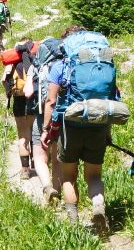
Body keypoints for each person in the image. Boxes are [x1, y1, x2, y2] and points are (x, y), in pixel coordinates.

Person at [43, 27, 118, 232]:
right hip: (99, 122)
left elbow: (50, 101)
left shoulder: (60, 66)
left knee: (69, 176)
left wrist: (46, 129)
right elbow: (111, 99)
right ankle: (98, 207)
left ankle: (74, 224)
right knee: (94, 175)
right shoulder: (105, 65)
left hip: (72, 124)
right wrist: (108, 132)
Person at [1, 38, 41, 180]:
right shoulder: (34, 59)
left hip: (18, 100)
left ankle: (24, 170)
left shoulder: (12, 62)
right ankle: (36, 164)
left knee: (22, 134)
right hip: (33, 99)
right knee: (34, 133)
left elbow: (4, 80)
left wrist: (8, 93)